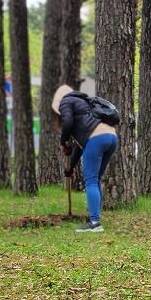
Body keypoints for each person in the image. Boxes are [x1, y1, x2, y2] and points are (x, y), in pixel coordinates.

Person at [53, 85, 118, 233]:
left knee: (91, 180)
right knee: (95, 179)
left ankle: (95, 223)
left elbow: (68, 122)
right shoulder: (86, 103)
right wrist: (71, 168)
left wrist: (63, 141)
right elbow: (82, 146)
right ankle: (95, 218)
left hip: (96, 139)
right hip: (111, 137)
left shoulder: (66, 101)